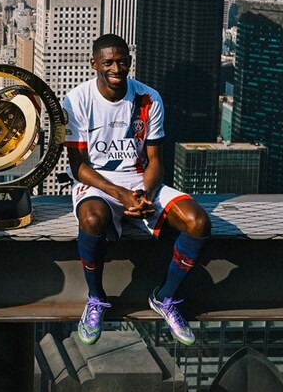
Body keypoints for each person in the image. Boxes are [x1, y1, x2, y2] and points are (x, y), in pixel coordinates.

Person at [63, 33, 212, 346]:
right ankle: (96, 297)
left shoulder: (148, 98)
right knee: (92, 219)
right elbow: (78, 167)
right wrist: (120, 195)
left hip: (140, 181)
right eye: (108, 62)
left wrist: (143, 193)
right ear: (94, 64)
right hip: (97, 183)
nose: (116, 68)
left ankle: (165, 297)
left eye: (122, 61)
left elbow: (156, 159)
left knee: (198, 222)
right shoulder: (76, 100)